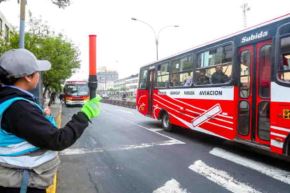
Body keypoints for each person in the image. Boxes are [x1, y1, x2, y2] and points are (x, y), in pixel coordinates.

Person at [0, 49, 101, 193]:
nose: (39, 76)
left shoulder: (11, 101)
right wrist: (85, 115)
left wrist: (42, 117)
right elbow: (58, 140)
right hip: (21, 186)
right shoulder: (19, 108)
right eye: (37, 72)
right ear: (28, 77)